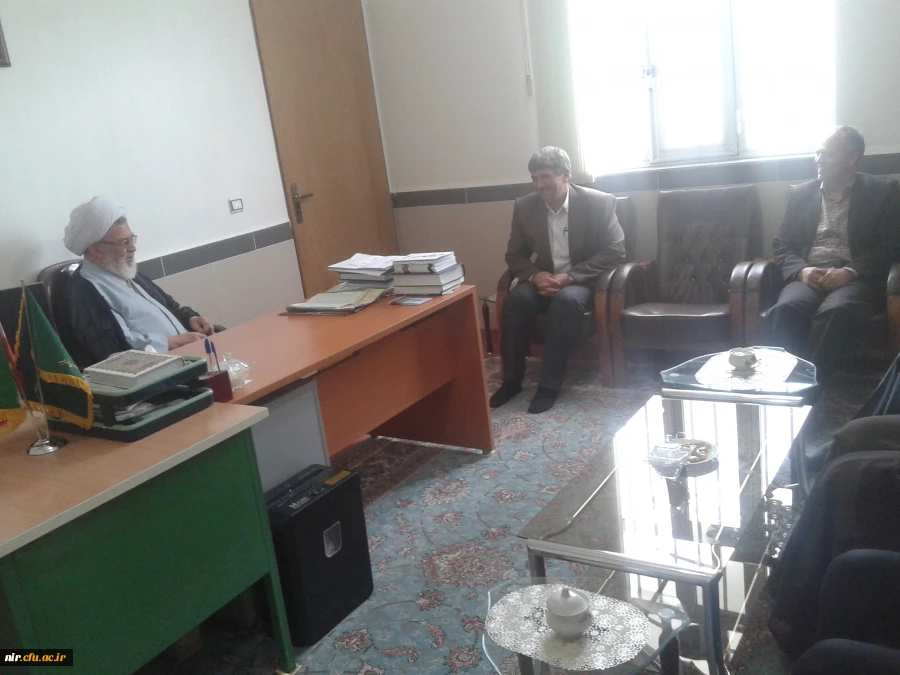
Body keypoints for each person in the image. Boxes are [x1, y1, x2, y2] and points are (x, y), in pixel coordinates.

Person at [490, 147, 626, 414]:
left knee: (566, 302)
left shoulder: (599, 203)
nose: (539, 185)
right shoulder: (525, 206)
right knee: (516, 300)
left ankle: (549, 386)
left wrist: (571, 277)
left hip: (582, 281)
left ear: (566, 175)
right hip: (544, 278)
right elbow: (514, 255)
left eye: (545, 177)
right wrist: (535, 275)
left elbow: (615, 250)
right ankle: (511, 381)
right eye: (534, 178)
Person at [767, 126, 900, 380]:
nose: (818, 159)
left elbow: (890, 246)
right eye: (818, 152)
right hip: (809, 274)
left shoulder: (882, 192)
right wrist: (802, 271)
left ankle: (807, 385)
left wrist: (850, 272)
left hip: (854, 278)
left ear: (852, 159)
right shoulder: (800, 194)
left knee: (837, 312)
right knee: (787, 308)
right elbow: (782, 244)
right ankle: (784, 384)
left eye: (827, 154)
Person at [59, 196, 216, 369]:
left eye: (131, 239)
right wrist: (170, 342)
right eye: (124, 242)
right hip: (158, 372)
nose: (133, 248)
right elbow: (110, 349)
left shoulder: (128, 273)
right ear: (95, 249)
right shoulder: (84, 290)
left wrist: (192, 319)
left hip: (190, 356)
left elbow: (171, 307)